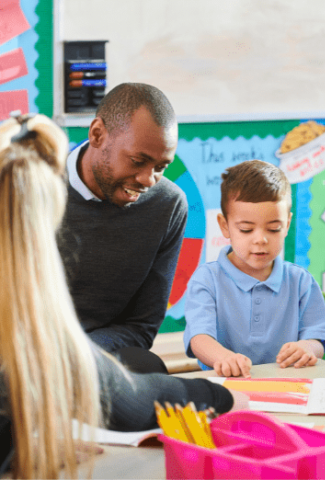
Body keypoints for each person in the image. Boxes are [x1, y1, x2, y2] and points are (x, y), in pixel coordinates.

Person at [0, 113, 246, 479]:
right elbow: (128, 399)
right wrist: (226, 400)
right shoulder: (29, 329)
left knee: (141, 363)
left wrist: (23, 447)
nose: (148, 179)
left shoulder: (167, 205)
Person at [57, 83, 187, 371]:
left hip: (97, 359)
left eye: (161, 167)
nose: (148, 179)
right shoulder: (29, 189)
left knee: (147, 366)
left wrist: (75, 358)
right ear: (97, 135)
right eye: (138, 161)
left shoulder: (167, 205)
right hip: (22, 355)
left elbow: (142, 326)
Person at [183, 160, 325, 377]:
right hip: (228, 385)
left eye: (274, 229)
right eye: (246, 229)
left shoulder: (300, 281)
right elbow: (199, 338)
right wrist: (223, 358)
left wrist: (308, 347)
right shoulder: (207, 279)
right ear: (225, 226)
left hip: (289, 384)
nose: (260, 240)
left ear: (287, 225)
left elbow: (318, 337)